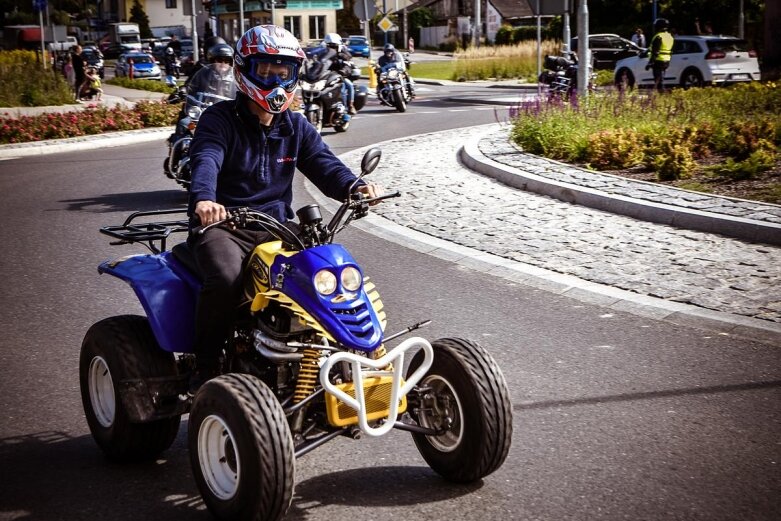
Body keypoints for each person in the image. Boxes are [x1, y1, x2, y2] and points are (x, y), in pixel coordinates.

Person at [185, 25, 384, 395]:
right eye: (265, 71)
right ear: (245, 69)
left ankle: (345, 359)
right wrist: (205, 200)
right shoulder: (219, 120)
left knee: (330, 275)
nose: (275, 80)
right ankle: (206, 365)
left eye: (284, 72)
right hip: (224, 227)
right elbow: (206, 159)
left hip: (278, 227)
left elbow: (325, 164)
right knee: (226, 279)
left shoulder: (295, 125)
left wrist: (355, 188)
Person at [322, 32, 357, 115]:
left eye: (333, 46)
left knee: (348, 85)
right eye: (329, 46)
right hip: (325, 76)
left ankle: (350, 106)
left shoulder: (343, 53)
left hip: (339, 75)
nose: (331, 49)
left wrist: (343, 71)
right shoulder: (323, 54)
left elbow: (348, 62)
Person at [646, 18, 673, 93]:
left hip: (658, 61)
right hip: (666, 61)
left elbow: (655, 51)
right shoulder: (669, 36)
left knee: (658, 81)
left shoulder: (658, 37)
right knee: (661, 79)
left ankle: (663, 95)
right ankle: (664, 94)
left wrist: (650, 62)